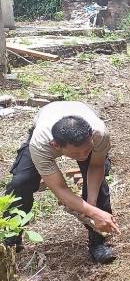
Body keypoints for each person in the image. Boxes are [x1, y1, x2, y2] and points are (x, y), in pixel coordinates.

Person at [3, 101, 119, 263]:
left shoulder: (99, 134)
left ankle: (98, 242)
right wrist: (92, 211)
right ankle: (11, 238)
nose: (84, 156)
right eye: (76, 154)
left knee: (99, 187)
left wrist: (91, 205)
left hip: (81, 113)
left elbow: (96, 166)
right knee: (21, 182)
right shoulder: (41, 144)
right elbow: (60, 188)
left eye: (87, 150)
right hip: (47, 120)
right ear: (56, 146)